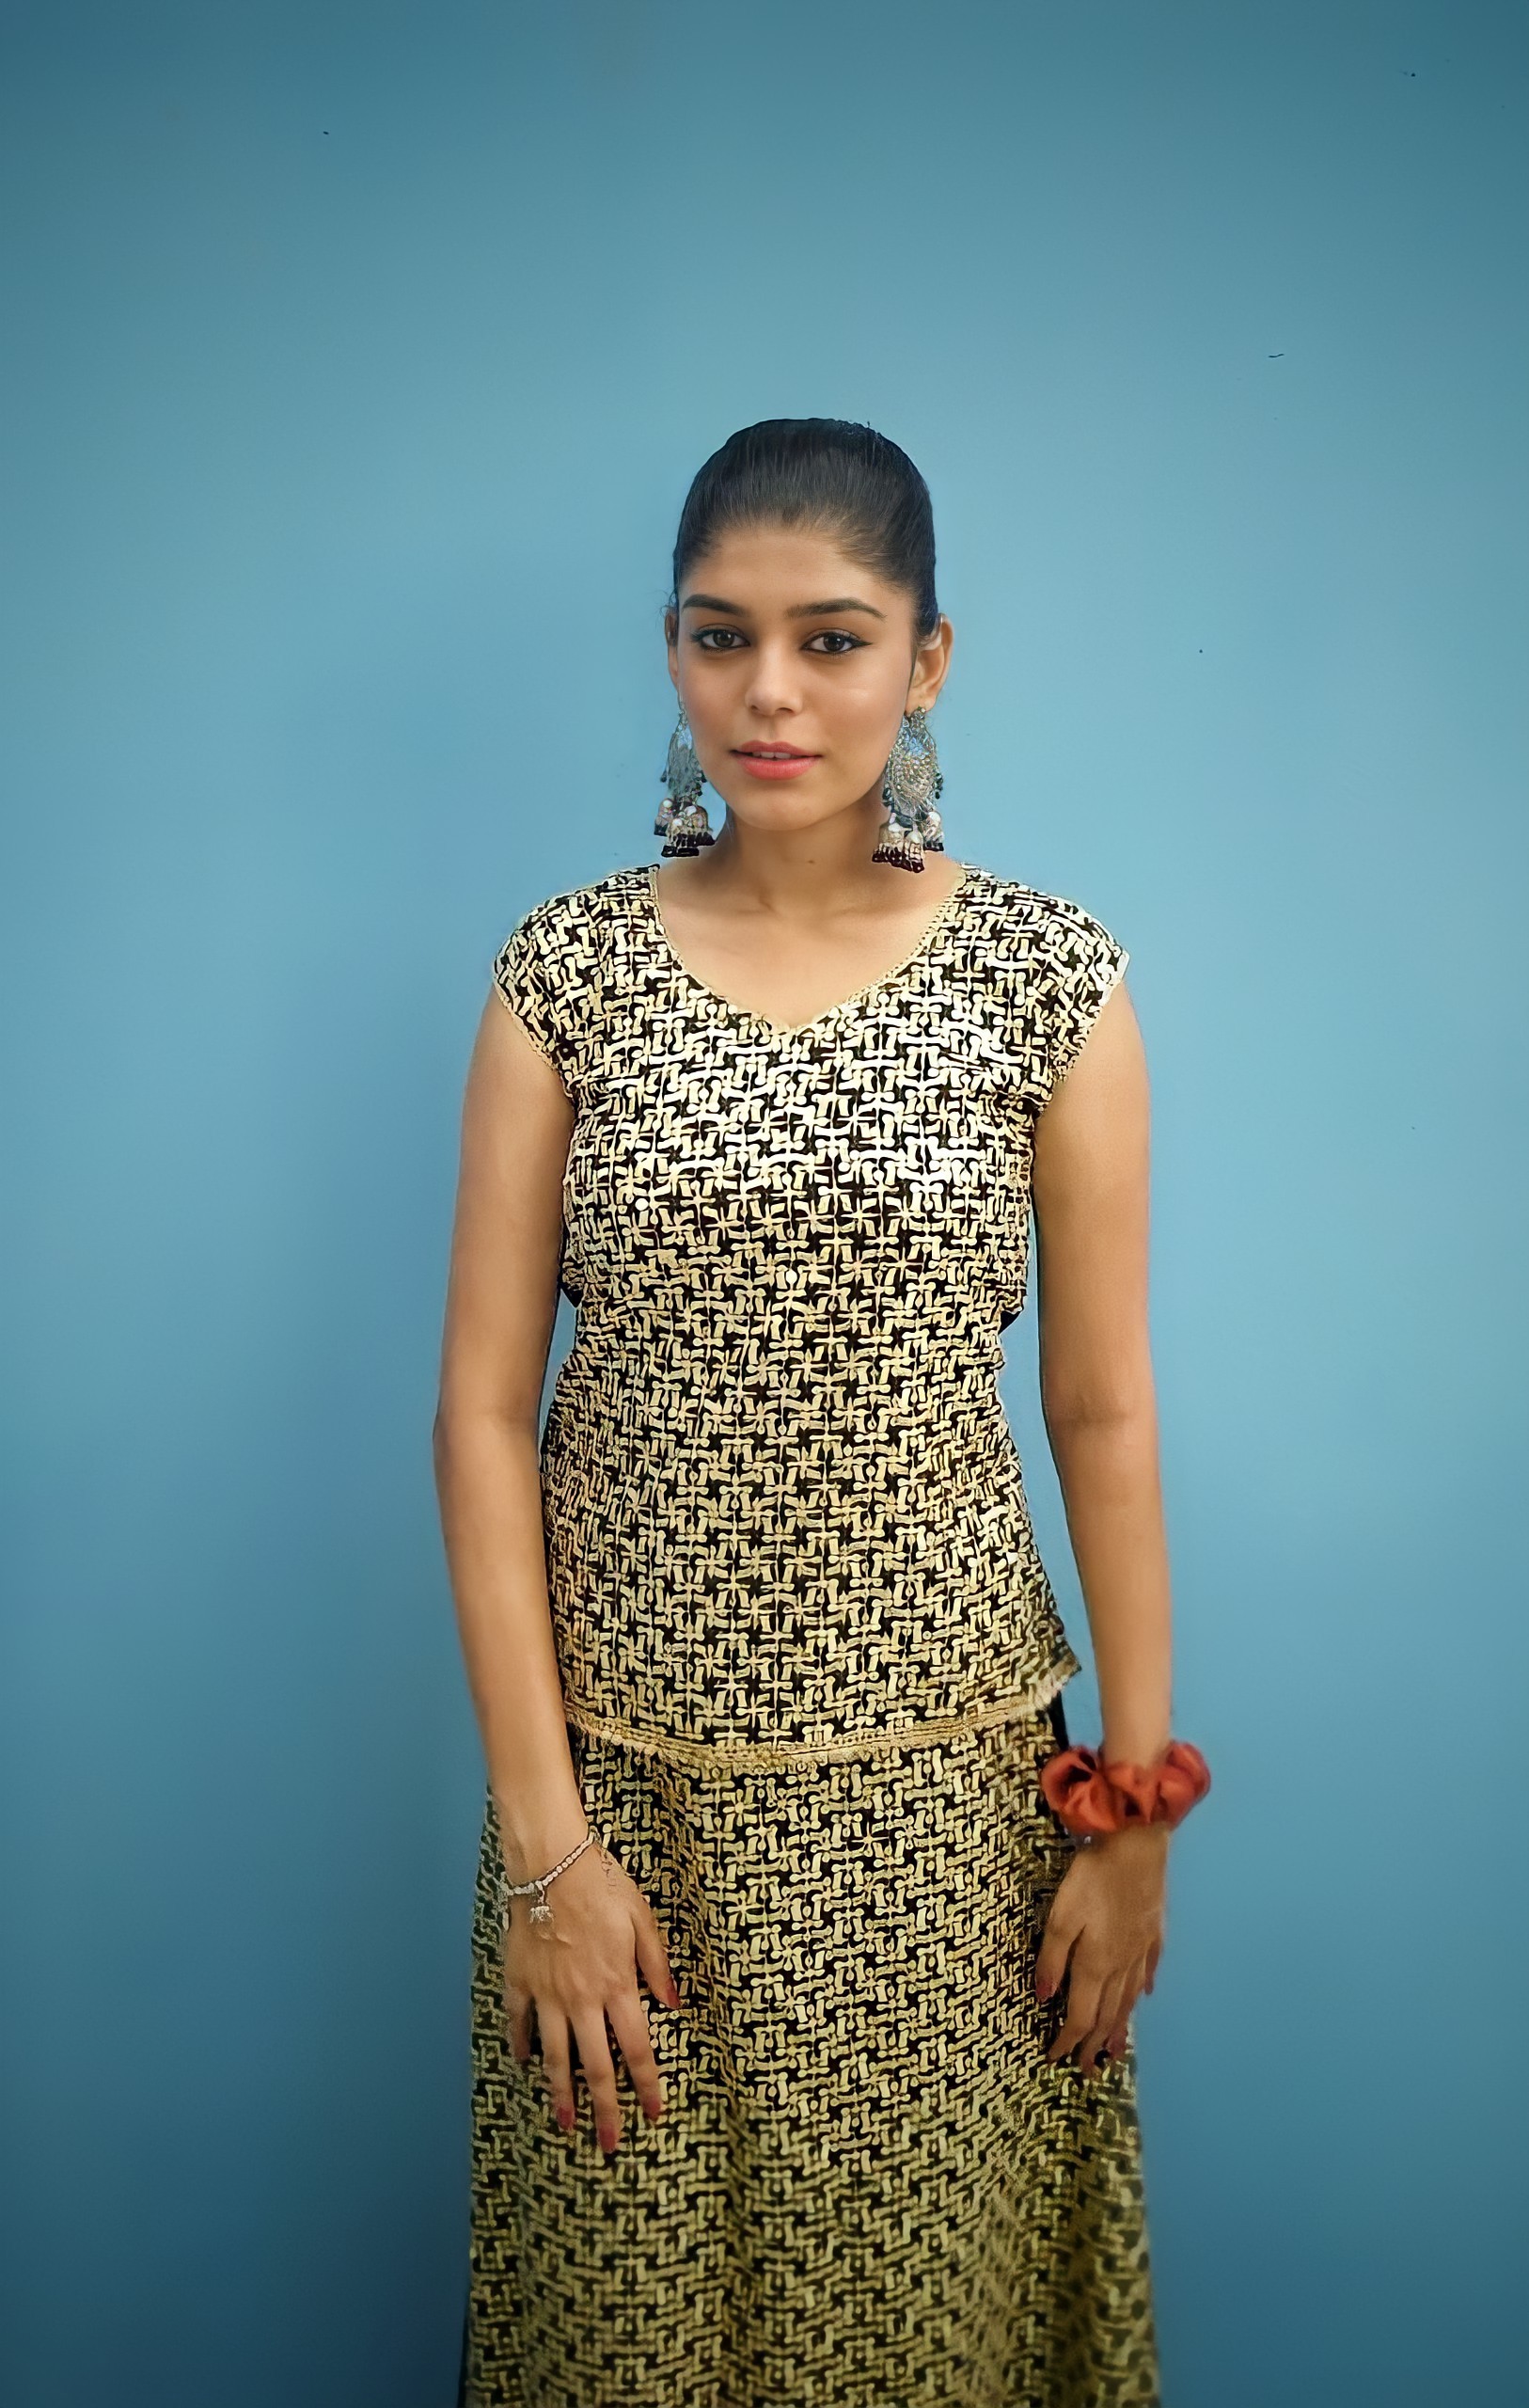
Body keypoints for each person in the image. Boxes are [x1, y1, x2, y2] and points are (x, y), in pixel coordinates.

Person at [433, 418, 1209, 2408]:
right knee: (622, 2338)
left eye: (832, 639)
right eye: (722, 636)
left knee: (932, 2339)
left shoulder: (1050, 978)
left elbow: (1102, 1409)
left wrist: (1134, 1815)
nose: (770, 691)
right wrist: (546, 1854)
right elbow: (482, 1414)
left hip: (948, 1814)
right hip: (624, 1812)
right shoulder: (565, 974)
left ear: (926, 660)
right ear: (673, 653)